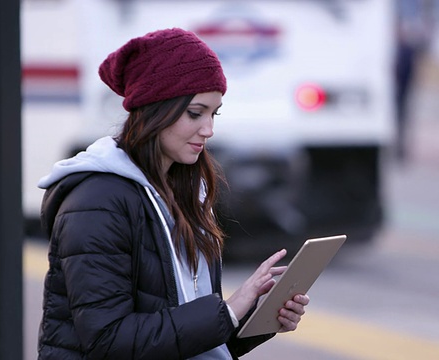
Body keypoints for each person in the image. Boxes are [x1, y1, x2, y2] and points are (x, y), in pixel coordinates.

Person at [36, 28, 310, 359]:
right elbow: (108, 342)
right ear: (156, 109)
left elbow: (184, 338)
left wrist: (256, 317)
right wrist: (228, 311)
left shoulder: (185, 194)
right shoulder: (97, 202)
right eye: (195, 113)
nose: (208, 129)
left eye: (214, 113)